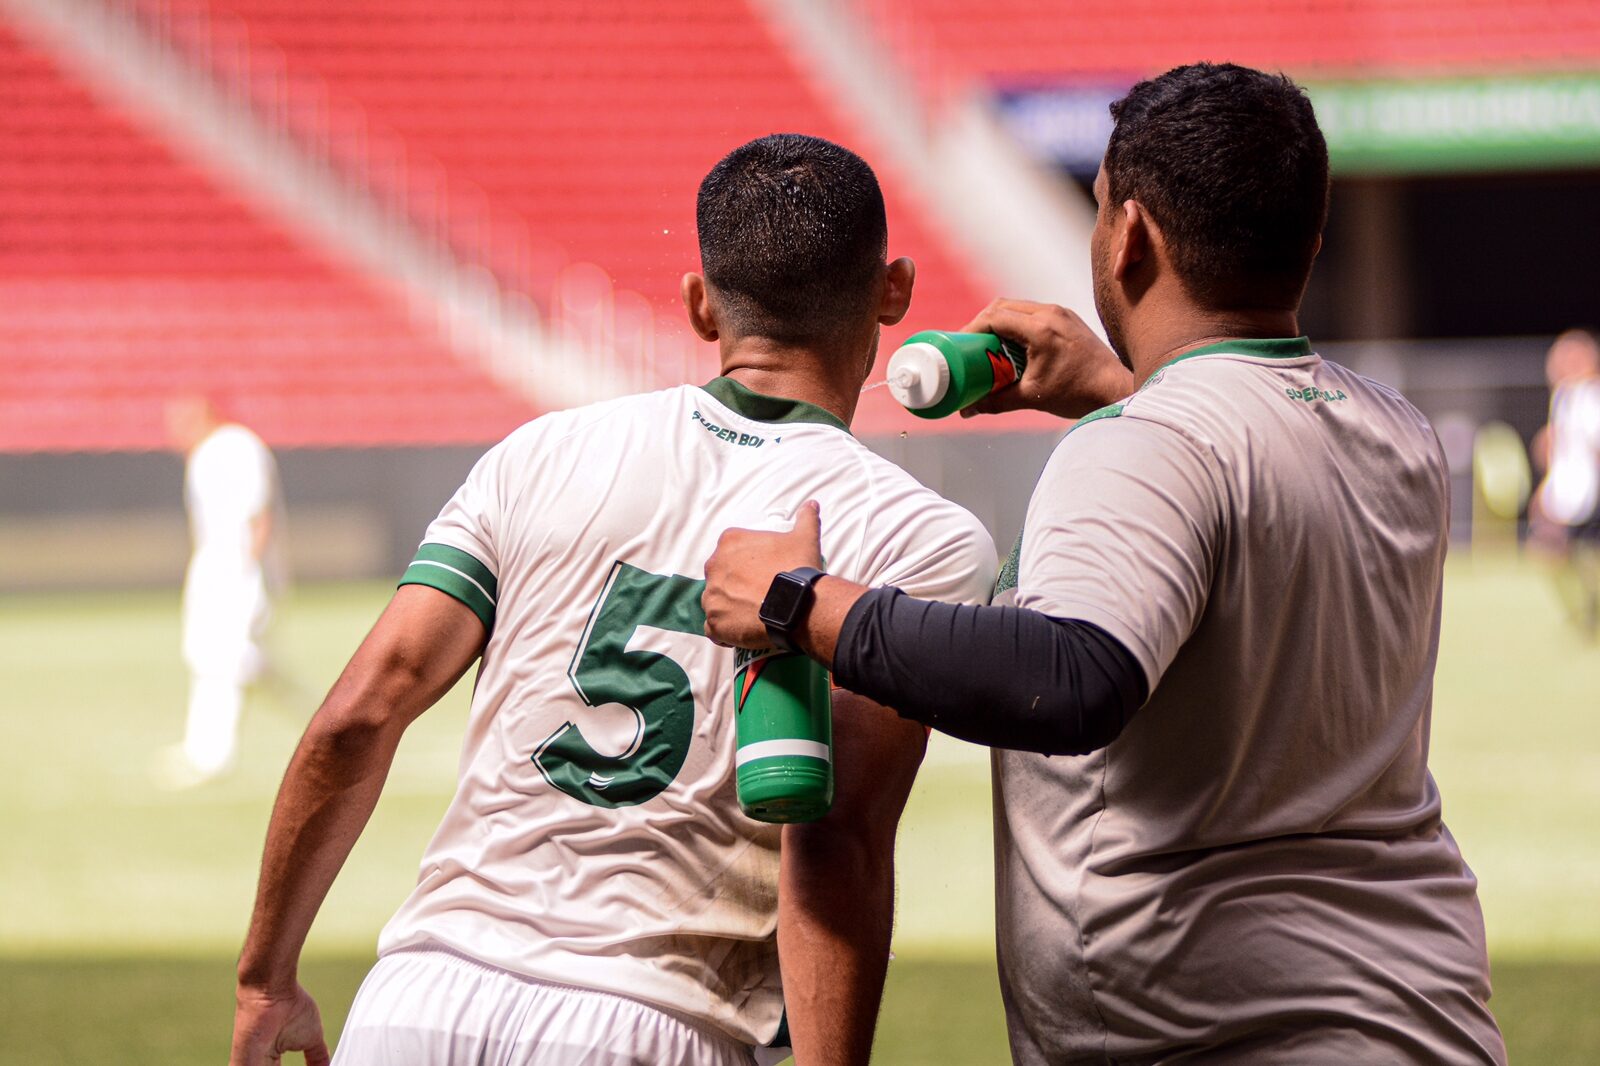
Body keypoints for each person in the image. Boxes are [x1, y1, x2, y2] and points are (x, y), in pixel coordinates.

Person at [703, 64, 1507, 1064]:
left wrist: (800, 604)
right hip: (1417, 1015)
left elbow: (1070, 679)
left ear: (1128, 238)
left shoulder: (1140, 446)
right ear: (1307, 238)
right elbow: (1245, 484)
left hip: (1226, 1037)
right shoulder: (1392, 427)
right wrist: (1118, 387)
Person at [229, 133, 995, 1066]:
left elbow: (363, 709)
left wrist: (265, 977)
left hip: (421, 998)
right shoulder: (926, 540)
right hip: (658, 1017)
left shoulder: (541, 451)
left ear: (699, 304)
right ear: (896, 291)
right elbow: (835, 843)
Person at [159, 395, 284, 786]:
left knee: (225, 659)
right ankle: (204, 747)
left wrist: (248, 568)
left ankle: (213, 753)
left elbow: (257, 512)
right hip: (216, 566)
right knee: (210, 655)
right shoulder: (206, 454)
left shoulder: (235, 447)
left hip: (235, 568)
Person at [1529, 329, 1600, 638]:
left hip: (1588, 493)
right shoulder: (1564, 399)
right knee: (1551, 552)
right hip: (1569, 493)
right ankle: (1587, 609)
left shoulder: (1590, 396)